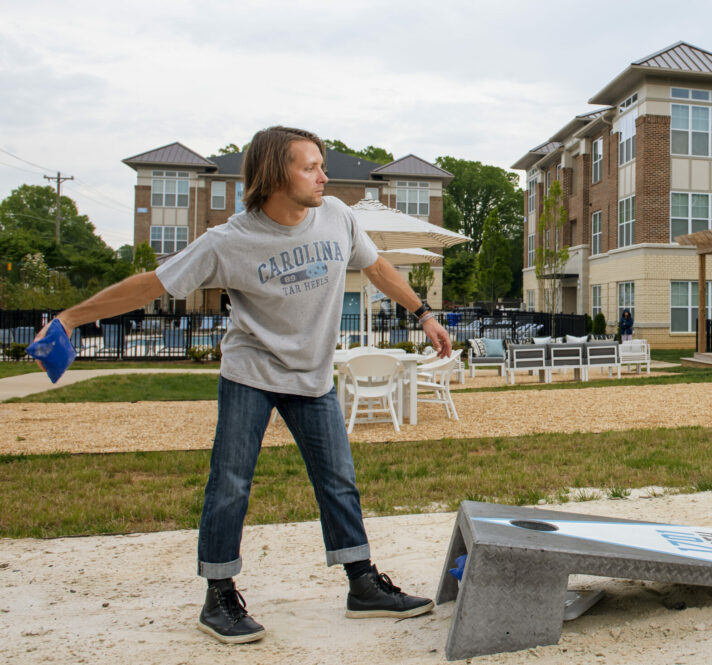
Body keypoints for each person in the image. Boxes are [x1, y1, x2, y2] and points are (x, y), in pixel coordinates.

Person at [32, 126, 452, 645]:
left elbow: (379, 267)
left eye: (320, 165)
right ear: (277, 174)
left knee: (338, 480)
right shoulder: (229, 239)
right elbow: (153, 284)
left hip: (312, 375)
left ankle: (362, 584)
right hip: (250, 373)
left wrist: (424, 314)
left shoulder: (338, 217)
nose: (324, 176)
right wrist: (71, 317)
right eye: (310, 167)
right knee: (230, 483)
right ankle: (219, 595)